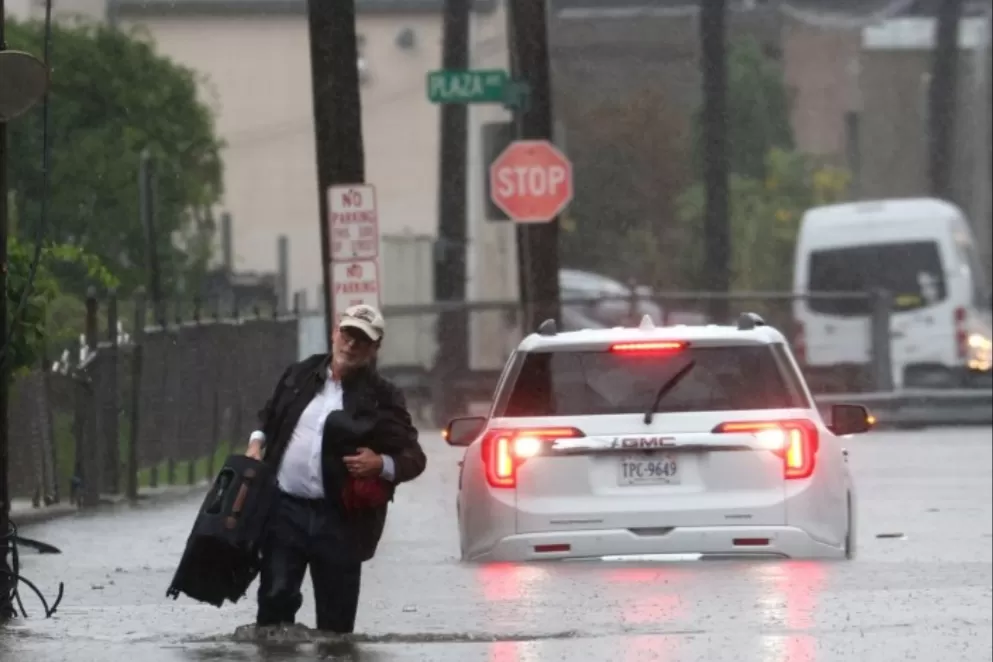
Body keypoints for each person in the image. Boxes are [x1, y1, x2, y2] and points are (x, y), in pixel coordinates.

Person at [245, 304, 426, 633]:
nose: (351, 344)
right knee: (274, 603)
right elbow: (268, 416)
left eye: (362, 339)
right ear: (335, 333)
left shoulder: (383, 397)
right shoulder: (299, 374)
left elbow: (414, 457)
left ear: (375, 348)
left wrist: (380, 464)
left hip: (342, 521)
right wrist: (256, 442)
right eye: (348, 333)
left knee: (336, 627)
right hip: (285, 511)